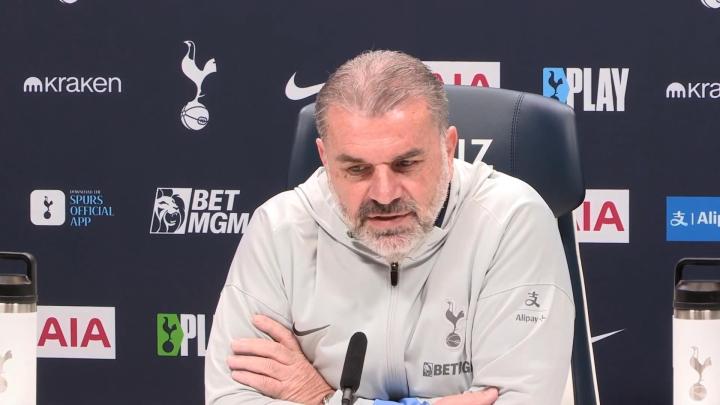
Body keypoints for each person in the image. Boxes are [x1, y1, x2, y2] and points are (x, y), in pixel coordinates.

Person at [205, 50, 574, 405]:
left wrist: (321, 398)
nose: (384, 194)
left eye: (406, 164)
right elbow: (230, 399)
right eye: (357, 169)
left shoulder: (511, 220)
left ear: (448, 149)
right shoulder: (279, 229)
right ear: (325, 158)